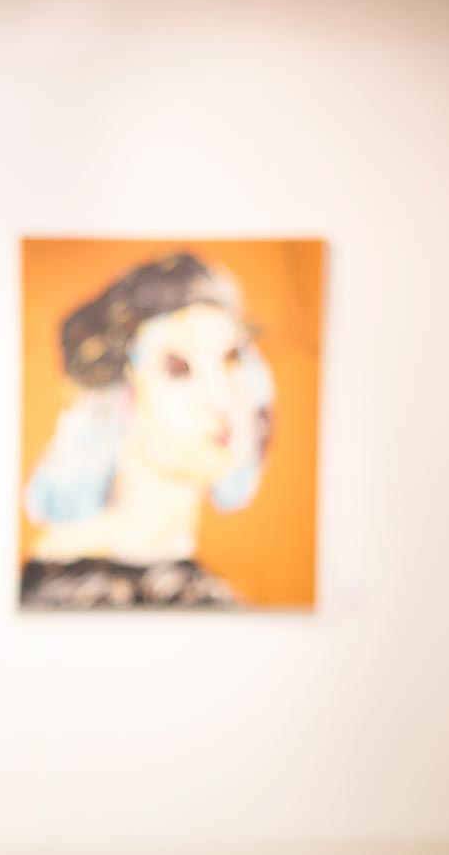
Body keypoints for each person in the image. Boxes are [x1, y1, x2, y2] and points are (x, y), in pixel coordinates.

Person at [21, 252, 275, 609]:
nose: (223, 400)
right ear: (122, 393)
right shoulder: (59, 589)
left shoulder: (207, 594)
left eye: (232, 359)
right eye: (178, 368)